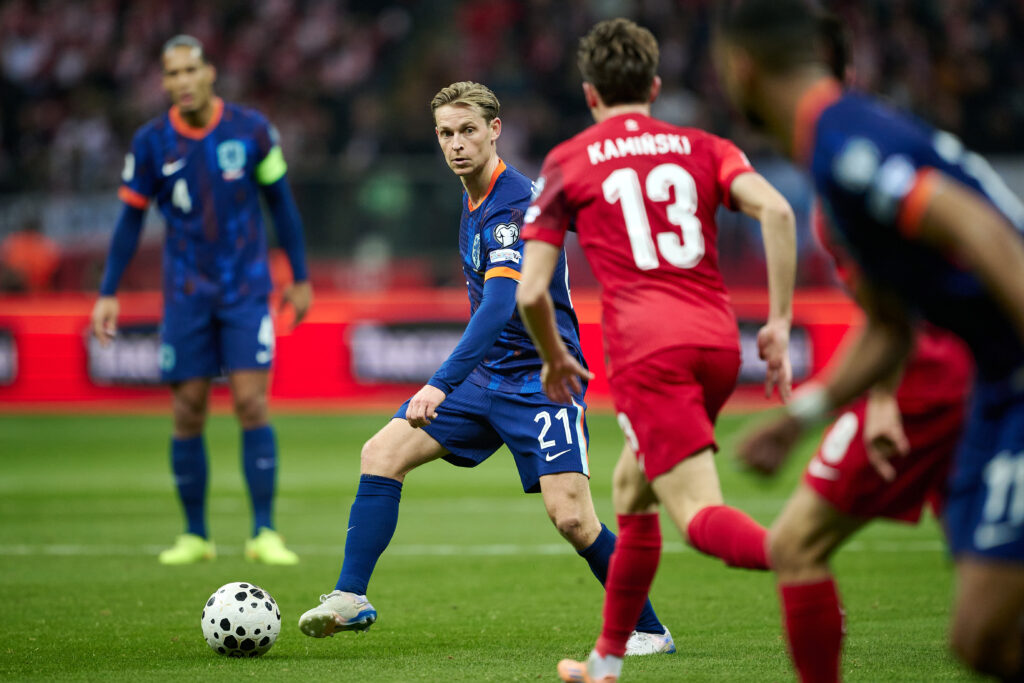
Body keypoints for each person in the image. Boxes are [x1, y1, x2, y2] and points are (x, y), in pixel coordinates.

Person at [297, 81, 673, 656]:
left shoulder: (510, 203)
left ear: (495, 130)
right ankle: (351, 596)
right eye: (446, 134)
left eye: (468, 131)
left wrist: (438, 383)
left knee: (572, 519)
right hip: (484, 381)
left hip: (541, 383)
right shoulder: (473, 194)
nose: (456, 144)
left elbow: (501, 306)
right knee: (381, 454)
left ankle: (649, 629)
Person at [714, 0, 1024, 678]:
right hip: (993, 377)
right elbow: (889, 327)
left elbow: (982, 232)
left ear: (742, 68)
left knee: (986, 631)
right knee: (984, 637)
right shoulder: (834, 153)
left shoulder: (845, 143)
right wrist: (797, 419)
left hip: (1004, 374)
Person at [516, 18, 797, 683]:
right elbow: (780, 212)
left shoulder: (570, 158)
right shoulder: (703, 144)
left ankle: (799, 555)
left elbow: (531, 294)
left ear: (590, 94)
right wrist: (780, 321)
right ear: (656, 85)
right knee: (629, 491)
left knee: (696, 512)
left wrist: (555, 357)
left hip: (650, 353)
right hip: (717, 343)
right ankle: (608, 660)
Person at [91, 35, 312, 565]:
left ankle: (264, 532)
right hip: (186, 294)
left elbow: (282, 205)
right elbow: (129, 221)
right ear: (164, 81)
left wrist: (299, 277)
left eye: (191, 70)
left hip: (245, 289)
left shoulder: (252, 130)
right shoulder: (150, 142)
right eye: (172, 74)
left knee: (251, 402)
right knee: (188, 409)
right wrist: (107, 291)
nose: (182, 81)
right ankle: (195, 535)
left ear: (210, 72)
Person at [738, 204, 972, 682]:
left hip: (929, 376)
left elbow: (892, 323)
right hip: (975, 374)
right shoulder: (903, 166)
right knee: (985, 583)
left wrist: (797, 421)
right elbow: (895, 304)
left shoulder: (843, 182)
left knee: (795, 545)